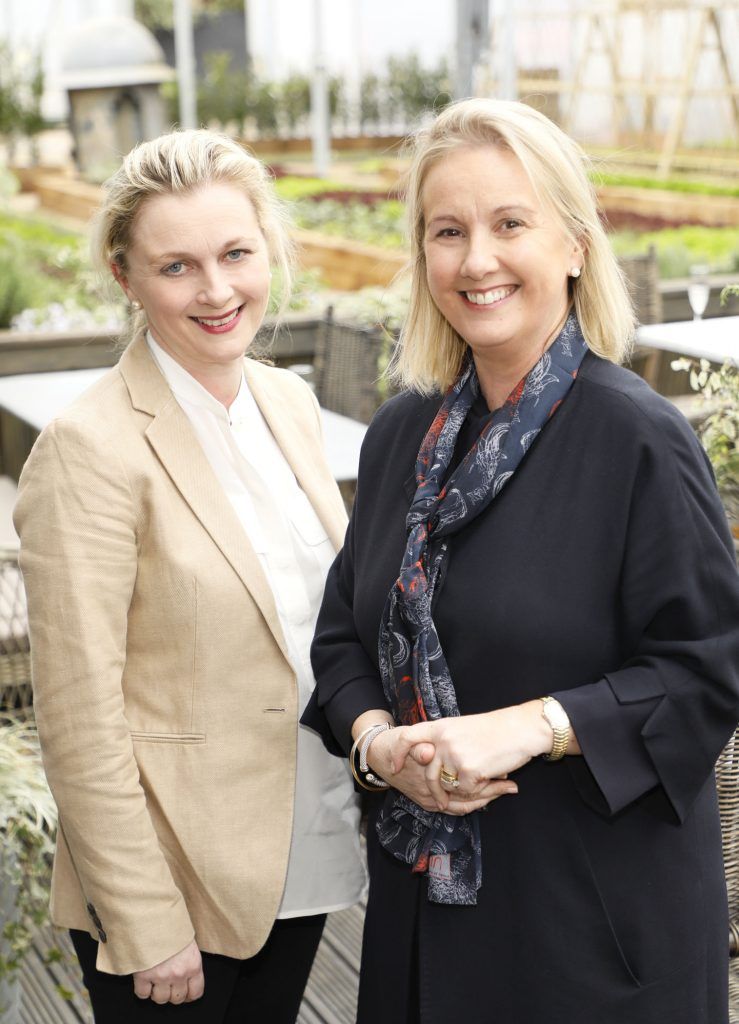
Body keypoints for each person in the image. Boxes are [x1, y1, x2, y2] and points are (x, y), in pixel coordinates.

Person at [302, 98, 739, 1023]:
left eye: (510, 224)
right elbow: (342, 632)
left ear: (575, 246)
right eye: (447, 231)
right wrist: (381, 745)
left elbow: (706, 672)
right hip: (421, 927)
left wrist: (535, 726)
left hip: (590, 940)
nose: (476, 260)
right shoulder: (398, 438)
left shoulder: (642, 443)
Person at [14, 129, 365, 1023]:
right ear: (125, 276)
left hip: (301, 852)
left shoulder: (284, 400)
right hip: (176, 892)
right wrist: (144, 918)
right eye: (177, 267)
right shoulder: (88, 449)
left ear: (268, 250)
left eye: (236, 254)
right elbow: (77, 717)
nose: (216, 291)